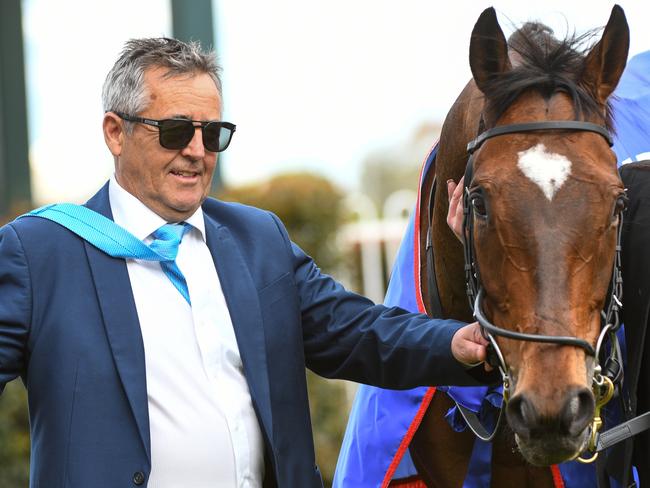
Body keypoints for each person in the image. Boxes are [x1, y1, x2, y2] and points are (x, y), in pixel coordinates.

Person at [0, 37, 493, 488]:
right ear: (115, 132)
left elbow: (356, 332)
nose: (196, 152)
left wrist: (455, 342)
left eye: (211, 133)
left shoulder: (256, 240)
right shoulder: (41, 253)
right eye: (175, 131)